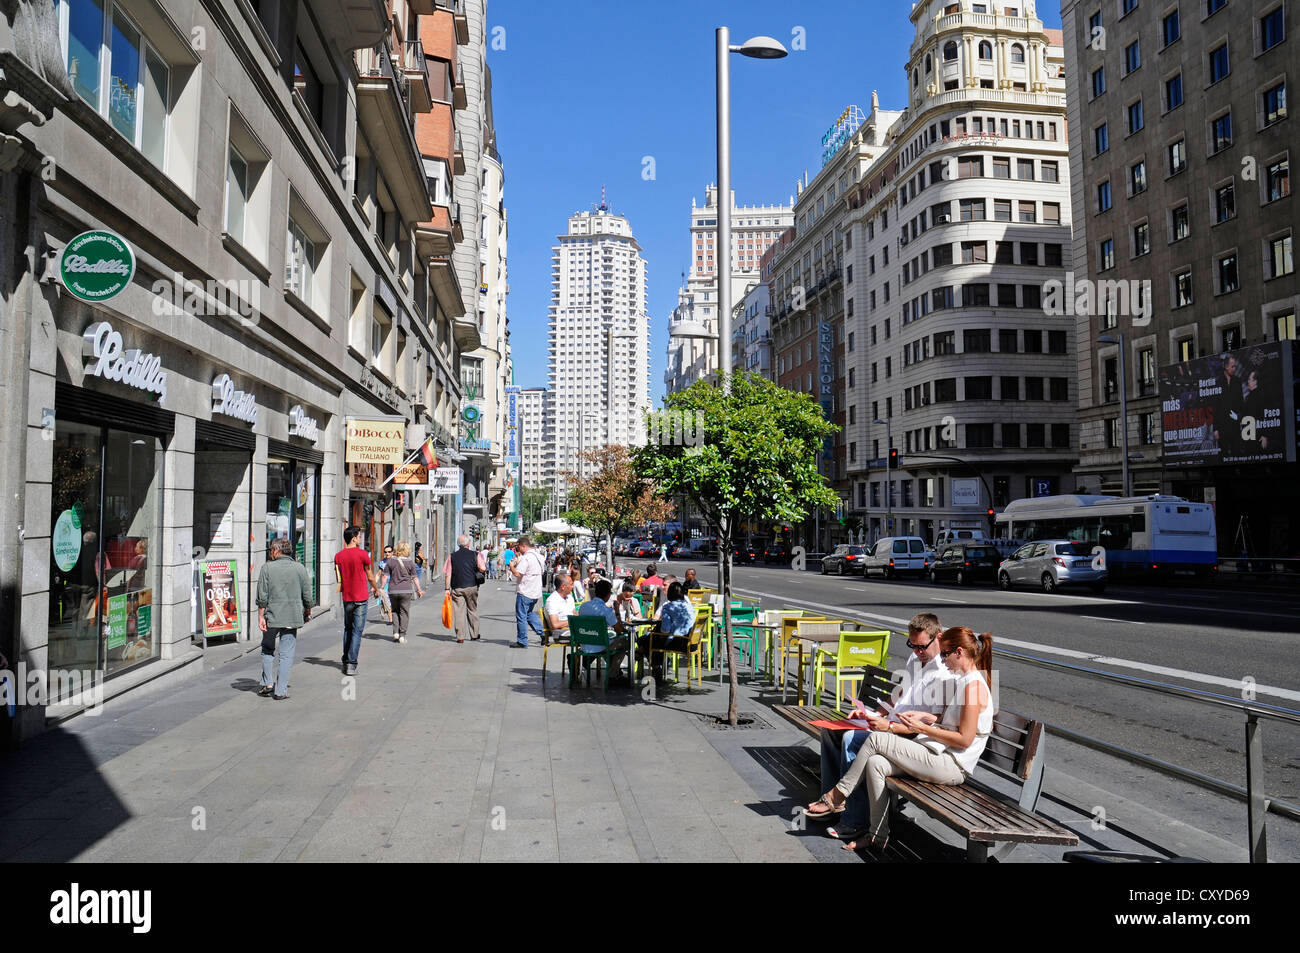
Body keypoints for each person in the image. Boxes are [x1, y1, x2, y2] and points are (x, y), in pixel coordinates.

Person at [813, 626, 995, 851]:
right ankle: (877, 836)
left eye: (945, 654)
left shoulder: (973, 687)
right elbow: (953, 723)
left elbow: (964, 739)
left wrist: (923, 728)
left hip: (952, 765)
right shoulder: (965, 681)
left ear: (959, 652)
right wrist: (927, 717)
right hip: (938, 754)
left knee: (876, 741)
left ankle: (837, 796)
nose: (943, 660)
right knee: (875, 763)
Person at [808, 612, 954, 840]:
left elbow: (932, 724)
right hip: (889, 723)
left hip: (909, 737)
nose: (916, 651)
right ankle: (832, 803)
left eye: (921, 647)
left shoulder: (945, 671)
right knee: (831, 731)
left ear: (939, 637)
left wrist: (888, 725)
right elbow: (899, 694)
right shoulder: (915, 659)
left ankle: (855, 820)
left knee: (851, 740)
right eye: (911, 645)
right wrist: (872, 713)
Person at [256, 538, 314, 699]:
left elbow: (262, 595)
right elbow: (307, 595)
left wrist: (261, 616)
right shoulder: (299, 568)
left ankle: (267, 683)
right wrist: (307, 610)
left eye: (270, 550)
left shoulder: (267, 568)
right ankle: (280, 691)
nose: (270, 553)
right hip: (291, 616)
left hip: (271, 615)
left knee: (267, 648)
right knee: (286, 653)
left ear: (276, 550)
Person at [334, 526, 381, 676]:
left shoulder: (338, 556)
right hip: (360, 598)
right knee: (357, 631)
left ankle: (345, 660)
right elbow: (370, 576)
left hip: (347, 598)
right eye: (359, 537)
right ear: (354, 538)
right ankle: (351, 663)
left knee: (348, 629)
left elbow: (338, 578)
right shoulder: (362, 555)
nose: (361, 539)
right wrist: (377, 589)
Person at [637, 581, 697, 680]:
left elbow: (665, 630)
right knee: (651, 640)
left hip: (677, 642)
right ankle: (656, 666)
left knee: (648, 641)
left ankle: (652, 664)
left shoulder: (668, 607)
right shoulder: (688, 605)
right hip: (690, 642)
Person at [576, 577, 631, 682]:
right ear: (608, 595)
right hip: (601, 646)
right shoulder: (606, 611)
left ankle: (616, 671)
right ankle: (612, 673)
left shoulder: (583, 607)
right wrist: (617, 610)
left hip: (584, 644)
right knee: (625, 641)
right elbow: (619, 630)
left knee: (610, 641)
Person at [444, 534, 487, 643]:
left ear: (459, 545)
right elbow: (483, 568)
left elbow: (448, 574)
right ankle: (474, 634)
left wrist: (447, 589)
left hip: (457, 587)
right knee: (472, 610)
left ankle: (460, 637)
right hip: (472, 586)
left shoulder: (452, 556)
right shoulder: (475, 555)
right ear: (468, 544)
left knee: (459, 612)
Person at [508, 536, 547, 648]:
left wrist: (511, 566)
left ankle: (522, 641)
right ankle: (543, 633)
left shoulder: (526, 558)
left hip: (525, 590)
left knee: (521, 616)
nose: (517, 550)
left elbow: (517, 574)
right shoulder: (539, 557)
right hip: (535, 591)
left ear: (523, 546)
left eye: (518, 547)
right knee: (529, 614)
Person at [385, 541, 423, 644]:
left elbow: (385, 576)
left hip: (393, 590)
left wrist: (381, 587)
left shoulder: (391, 561)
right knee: (404, 613)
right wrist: (419, 590)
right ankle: (402, 635)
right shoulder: (410, 562)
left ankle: (395, 633)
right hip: (406, 591)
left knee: (395, 611)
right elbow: (415, 578)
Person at [544, 571, 577, 640]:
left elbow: (575, 614)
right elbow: (555, 625)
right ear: (563, 587)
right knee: (589, 635)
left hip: (572, 628)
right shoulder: (552, 601)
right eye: (571, 584)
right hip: (561, 632)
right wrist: (572, 621)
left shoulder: (570, 597)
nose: (573, 587)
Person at [374, 544, 394, 623]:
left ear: (393, 552)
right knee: (387, 602)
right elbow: (378, 574)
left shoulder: (396, 561)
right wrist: (374, 585)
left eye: (389, 552)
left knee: (394, 602)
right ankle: (391, 620)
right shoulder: (383, 562)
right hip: (385, 585)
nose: (387, 553)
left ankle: (395, 618)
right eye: (385, 552)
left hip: (395, 584)